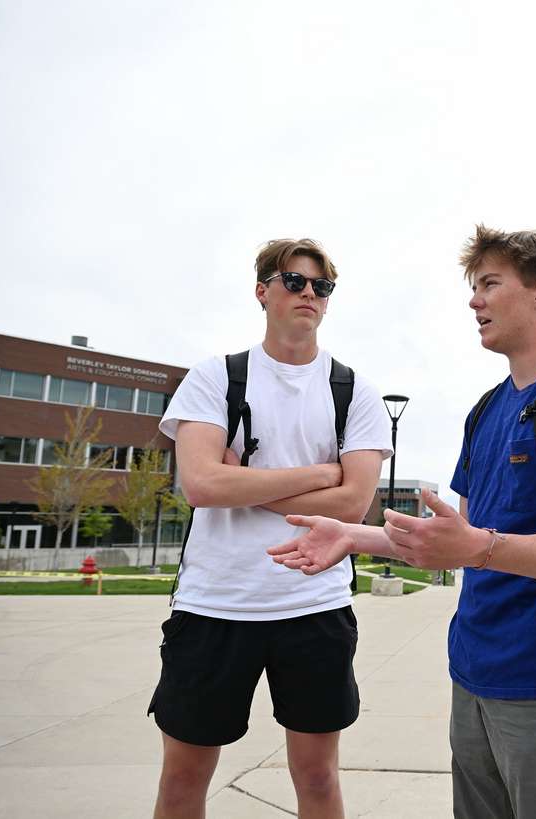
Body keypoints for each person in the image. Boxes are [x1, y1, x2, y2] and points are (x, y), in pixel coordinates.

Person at [267, 225, 536, 818]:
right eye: (474, 286)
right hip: (474, 673)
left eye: (490, 284)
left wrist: (480, 548)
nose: (474, 300)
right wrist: (353, 536)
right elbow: (458, 545)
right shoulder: (486, 411)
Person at [149, 238, 392, 819]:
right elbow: (201, 486)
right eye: (294, 281)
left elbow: (354, 506)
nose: (309, 293)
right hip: (214, 604)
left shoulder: (353, 390)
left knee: (317, 778)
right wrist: (317, 474)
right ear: (264, 291)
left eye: (321, 286)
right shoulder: (214, 378)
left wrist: (246, 481)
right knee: (184, 779)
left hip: (314, 605)